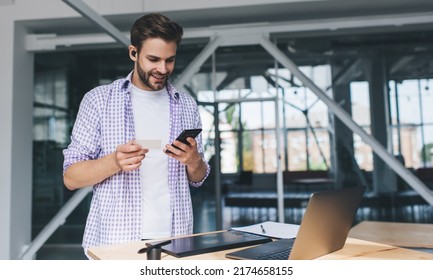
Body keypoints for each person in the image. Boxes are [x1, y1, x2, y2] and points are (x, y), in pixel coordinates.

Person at [62, 13, 210, 258]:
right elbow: (71, 177)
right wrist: (114, 162)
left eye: (169, 60)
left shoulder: (186, 105)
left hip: (176, 241)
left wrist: (194, 161)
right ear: (133, 53)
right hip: (117, 243)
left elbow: (199, 177)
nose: (162, 69)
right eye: (153, 59)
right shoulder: (99, 101)